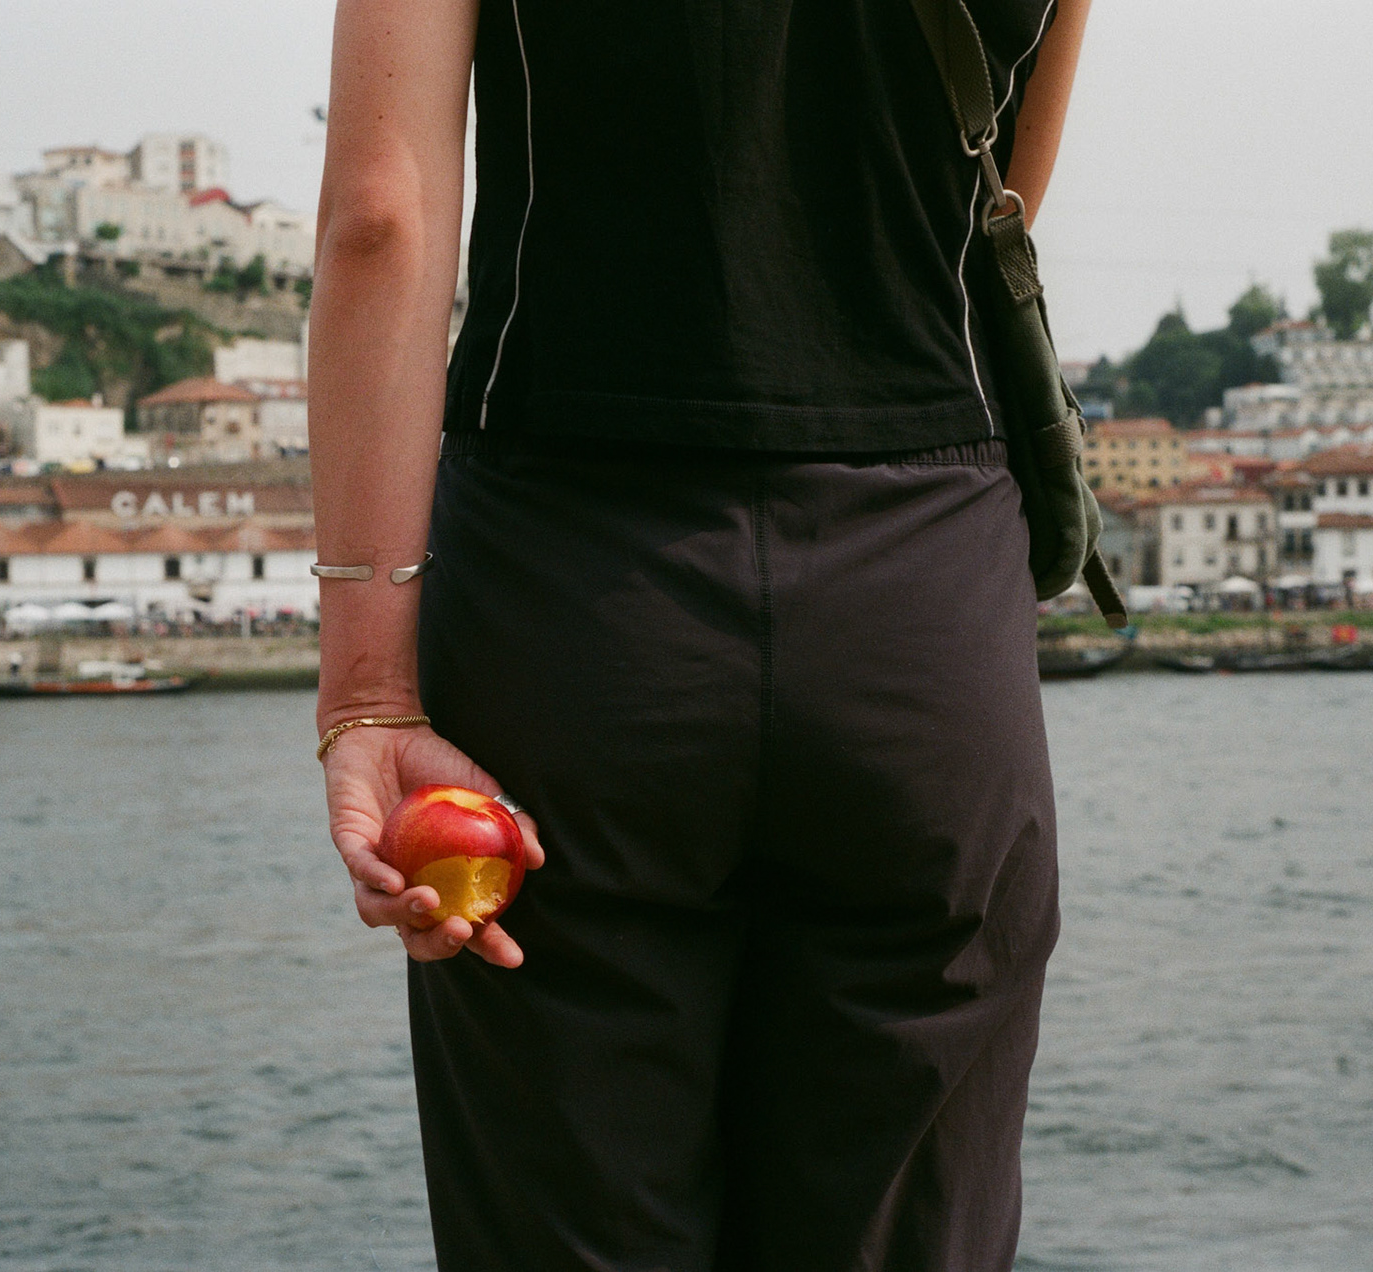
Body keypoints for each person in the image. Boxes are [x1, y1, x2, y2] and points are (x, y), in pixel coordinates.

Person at [309, 0, 1091, 1267]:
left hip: (571, 607)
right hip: (920, 605)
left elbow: (380, 222)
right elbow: (994, 197)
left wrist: (367, 693)